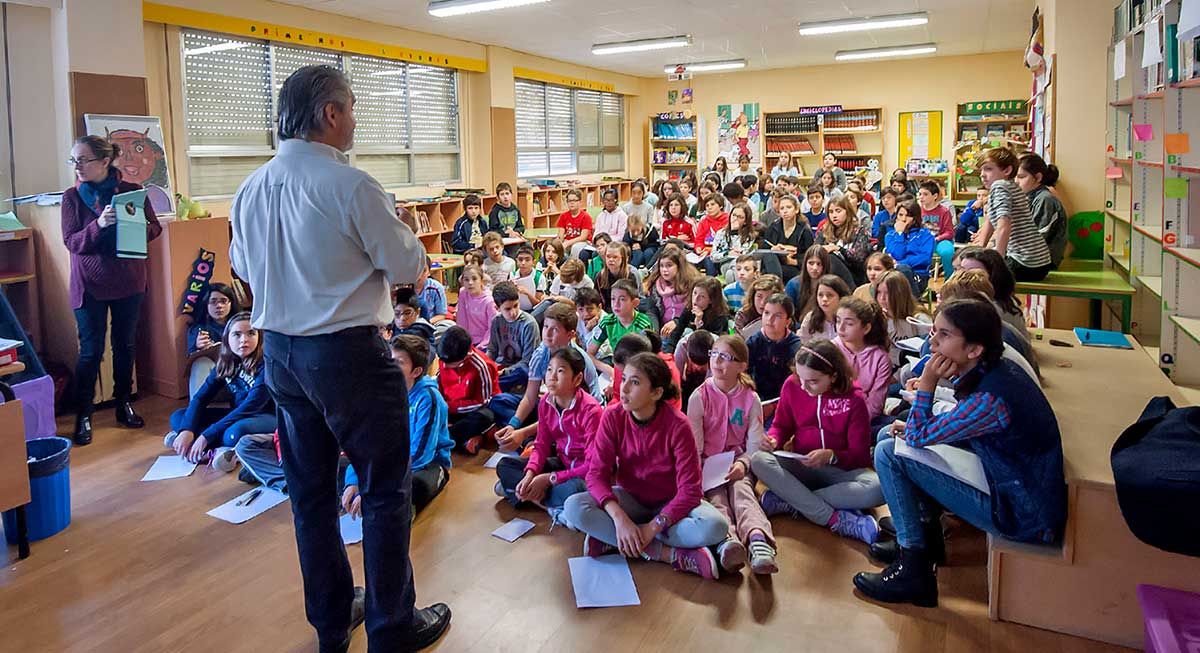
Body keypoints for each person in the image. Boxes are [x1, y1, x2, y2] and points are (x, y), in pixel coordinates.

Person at [228, 65, 449, 652]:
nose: (354, 119)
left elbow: (244, 271)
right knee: (383, 489)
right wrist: (402, 227)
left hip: (280, 353)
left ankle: (330, 620)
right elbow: (407, 270)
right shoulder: (351, 186)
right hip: (347, 352)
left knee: (311, 491)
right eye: (350, 107)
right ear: (330, 113)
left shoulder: (250, 189)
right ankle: (391, 627)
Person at [853, 299, 1066, 608]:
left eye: (944, 335)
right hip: (1008, 480)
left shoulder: (992, 397)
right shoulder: (994, 368)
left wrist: (927, 383)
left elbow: (916, 436)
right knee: (889, 434)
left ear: (974, 349)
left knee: (890, 452)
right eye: (933, 332)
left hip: (1021, 513)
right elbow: (944, 428)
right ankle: (926, 541)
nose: (933, 342)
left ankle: (915, 569)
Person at [563, 353, 729, 580]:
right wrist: (620, 518)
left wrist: (652, 527)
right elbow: (596, 475)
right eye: (624, 380)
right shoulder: (613, 416)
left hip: (671, 505)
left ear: (657, 393)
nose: (624, 389)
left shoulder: (678, 425)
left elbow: (690, 491)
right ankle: (667, 554)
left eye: (635, 382)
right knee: (573, 507)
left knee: (715, 526)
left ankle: (616, 540)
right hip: (632, 500)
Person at [62, 134, 163, 445]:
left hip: (128, 281)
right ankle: (84, 414)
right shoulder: (72, 198)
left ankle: (123, 404)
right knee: (91, 352)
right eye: (74, 160)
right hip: (89, 285)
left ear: (105, 162)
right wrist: (100, 225)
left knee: (125, 346)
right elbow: (72, 242)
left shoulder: (132, 192)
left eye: (83, 160)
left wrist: (133, 223)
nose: (77, 166)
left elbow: (154, 228)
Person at [751, 339, 882, 544]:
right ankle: (834, 518)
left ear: (834, 376)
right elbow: (781, 426)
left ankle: (793, 501)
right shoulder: (792, 385)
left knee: (877, 488)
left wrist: (831, 456)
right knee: (758, 459)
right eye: (801, 378)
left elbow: (860, 455)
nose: (804, 387)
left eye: (813, 381)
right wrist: (774, 439)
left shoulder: (854, 399)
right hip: (800, 463)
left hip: (838, 471)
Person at [686, 335, 778, 574]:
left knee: (743, 493)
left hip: (738, 461)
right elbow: (694, 446)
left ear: (742, 366)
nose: (717, 361)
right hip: (708, 465)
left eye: (726, 357)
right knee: (716, 498)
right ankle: (727, 541)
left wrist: (744, 464)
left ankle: (758, 542)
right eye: (714, 354)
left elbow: (755, 441)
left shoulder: (750, 398)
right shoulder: (699, 396)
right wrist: (696, 476)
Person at [341, 335, 453, 518]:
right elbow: (366, 442)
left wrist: (374, 483)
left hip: (426, 465)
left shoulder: (429, 399)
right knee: (339, 466)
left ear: (416, 371)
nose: (390, 367)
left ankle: (384, 504)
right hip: (390, 461)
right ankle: (363, 498)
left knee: (416, 486)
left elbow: (420, 455)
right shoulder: (384, 393)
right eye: (389, 360)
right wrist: (354, 480)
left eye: (398, 362)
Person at [493, 345, 600, 522]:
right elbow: (541, 445)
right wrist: (530, 474)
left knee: (576, 491)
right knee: (505, 465)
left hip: (582, 474)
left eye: (560, 371)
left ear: (577, 378)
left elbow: (592, 467)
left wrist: (549, 478)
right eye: (549, 369)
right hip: (562, 463)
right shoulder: (546, 402)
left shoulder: (591, 410)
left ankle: (521, 494)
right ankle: (546, 504)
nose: (552, 376)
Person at [165, 311, 277, 471]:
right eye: (237, 334)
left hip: (267, 416)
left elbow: (250, 408)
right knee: (178, 418)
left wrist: (206, 436)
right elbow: (200, 398)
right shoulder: (226, 363)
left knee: (234, 433)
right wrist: (187, 429)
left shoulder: (266, 365)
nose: (244, 340)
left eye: (251, 333)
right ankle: (195, 442)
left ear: (259, 337)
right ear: (227, 339)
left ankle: (218, 450)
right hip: (238, 414)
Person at [970, 147, 1053, 281]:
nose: (982, 174)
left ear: (1007, 170)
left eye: (988, 169)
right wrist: (980, 247)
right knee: (977, 262)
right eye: (981, 170)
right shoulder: (1009, 187)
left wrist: (999, 261)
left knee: (977, 274)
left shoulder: (1000, 186)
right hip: (1040, 262)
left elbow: (1004, 226)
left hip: (1026, 263)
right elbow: (991, 221)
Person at [438, 325, 500, 453]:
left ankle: (442, 439)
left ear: (465, 356)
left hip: (473, 409)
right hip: (450, 408)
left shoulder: (481, 366)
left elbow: (484, 402)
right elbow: (440, 387)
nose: (445, 366)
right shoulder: (445, 358)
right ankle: (462, 442)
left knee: (484, 417)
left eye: (451, 364)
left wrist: (450, 407)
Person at [834, 297, 892, 421]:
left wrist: (855, 423)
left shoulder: (880, 358)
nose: (841, 328)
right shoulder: (831, 350)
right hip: (834, 416)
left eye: (849, 323)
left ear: (866, 328)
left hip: (865, 419)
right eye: (838, 321)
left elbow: (875, 405)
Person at [958, 248, 1029, 338]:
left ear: (993, 276)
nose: (962, 277)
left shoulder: (992, 308)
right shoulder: (997, 300)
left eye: (974, 273)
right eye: (961, 270)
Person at [588, 279, 654, 376]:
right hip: (616, 367)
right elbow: (589, 354)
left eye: (622, 299)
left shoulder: (643, 324)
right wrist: (607, 369)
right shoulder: (607, 322)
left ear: (635, 303)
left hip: (638, 369)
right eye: (613, 299)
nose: (616, 304)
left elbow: (648, 359)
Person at [746, 293, 803, 403]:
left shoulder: (796, 346)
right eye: (766, 313)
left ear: (788, 321)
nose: (770, 319)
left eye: (777, 316)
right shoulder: (753, 342)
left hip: (786, 399)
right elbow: (743, 374)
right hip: (756, 398)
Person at [487, 281, 541, 393]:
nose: (513, 312)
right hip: (501, 366)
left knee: (524, 373)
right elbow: (492, 350)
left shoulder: (529, 323)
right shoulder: (496, 321)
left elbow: (528, 360)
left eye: (516, 306)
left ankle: (491, 387)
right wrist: (487, 366)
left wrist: (506, 371)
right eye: (507, 309)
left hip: (519, 370)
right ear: (497, 308)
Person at [187, 282, 238, 397]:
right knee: (200, 362)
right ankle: (197, 410)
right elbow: (189, 359)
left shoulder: (241, 324)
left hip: (239, 371)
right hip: (215, 374)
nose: (219, 306)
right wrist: (198, 347)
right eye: (213, 302)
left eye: (223, 301)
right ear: (206, 304)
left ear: (231, 303)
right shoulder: (198, 329)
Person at [1018, 154, 1068, 269]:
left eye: (1021, 177)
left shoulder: (1045, 199)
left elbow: (1036, 238)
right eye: (1014, 177)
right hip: (1031, 256)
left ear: (1038, 177)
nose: (1016, 181)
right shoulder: (1030, 196)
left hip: (1042, 261)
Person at [874, 271, 931, 366]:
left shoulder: (919, 319)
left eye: (887, 293)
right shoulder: (878, 319)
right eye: (879, 292)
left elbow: (927, 354)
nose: (882, 298)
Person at [662, 278, 733, 352]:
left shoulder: (720, 316)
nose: (695, 299)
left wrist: (699, 323)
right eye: (695, 293)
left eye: (702, 296)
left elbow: (709, 343)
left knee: (688, 333)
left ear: (711, 300)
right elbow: (678, 331)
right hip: (694, 346)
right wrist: (669, 351)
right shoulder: (689, 309)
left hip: (712, 350)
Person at [815, 195, 872, 286]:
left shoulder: (859, 231)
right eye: (831, 212)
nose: (834, 215)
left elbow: (859, 259)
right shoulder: (824, 230)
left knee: (831, 258)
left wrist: (837, 249)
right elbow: (815, 251)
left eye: (838, 211)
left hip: (853, 274)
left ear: (847, 211)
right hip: (826, 273)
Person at [884, 199, 935, 295]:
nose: (903, 219)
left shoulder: (926, 235)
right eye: (900, 215)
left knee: (903, 269)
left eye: (908, 216)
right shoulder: (890, 236)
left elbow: (925, 259)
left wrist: (899, 263)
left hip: (918, 276)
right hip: (894, 276)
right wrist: (900, 234)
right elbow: (897, 254)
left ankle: (913, 305)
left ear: (915, 218)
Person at [764, 195, 815, 281]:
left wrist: (792, 261)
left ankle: (775, 285)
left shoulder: (804, 230)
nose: (785, 211)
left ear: (796, 210)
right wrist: (773, 249)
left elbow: (810, 256)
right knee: (769, 256)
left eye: (789, 207)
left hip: (795, 267)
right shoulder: (773, 228)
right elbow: (764, 249)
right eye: (782, 208)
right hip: (774, 264)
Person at [915, 181, 956, 279]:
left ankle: (949, 279)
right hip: (922, 241)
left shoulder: (944, 211)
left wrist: (937, 239)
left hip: (940, 241)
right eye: (920, 194)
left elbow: (949, 232)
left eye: (925, 194)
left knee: (947, 252)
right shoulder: (917, 210)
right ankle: (919, 278)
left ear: (935, 196)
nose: (921, 197)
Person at [797, 275, 851, 343]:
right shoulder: (810, 318)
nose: (824, 299)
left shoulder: (849, 319)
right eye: (820, 295)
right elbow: (803, 344)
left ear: (841, 297)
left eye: (830, 295)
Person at [454, 264, 497, 349]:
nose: (470, 283)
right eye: (466, 280)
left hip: (485, 343)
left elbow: (492, 328)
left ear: (481, 281)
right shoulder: (463, 292)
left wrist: (481, 345)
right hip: (468, 340)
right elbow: (461, 319)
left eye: (474, 279)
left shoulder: (489, 301)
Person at [593, 241, 639, 312]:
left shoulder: (630, 276)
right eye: (608, 256)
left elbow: (633, 301)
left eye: (615, 257)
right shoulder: (600, 276)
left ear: (623, 259)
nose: (611, 260)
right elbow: (596, 299)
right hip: (606, 313)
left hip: (626, 311)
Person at [558, 188, 594, 258]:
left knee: (575, 247)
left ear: (580, 202)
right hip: (568, 240)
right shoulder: (563, 216)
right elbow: (561, 234)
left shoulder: (585, 216)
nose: (571, 203)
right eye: (569, 201)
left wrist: (568, 243)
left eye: (574, 200)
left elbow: (583, 237)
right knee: (552, 247)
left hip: (583, 242)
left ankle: (574, 267)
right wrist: (559, 243)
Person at [510, 245, 543, 312]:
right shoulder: (512, 275)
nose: (523, 263)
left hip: (534, 310)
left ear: (534, 262)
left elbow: (538, 304)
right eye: (520, 259)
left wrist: (527, 293)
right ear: (516, 261)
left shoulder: (539, 277)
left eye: (527, 260)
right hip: (517, 310)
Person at [573, 288, 606, 352]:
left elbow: (597, 354)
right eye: (581, 309)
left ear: (599, 307)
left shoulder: (605, 322)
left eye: (590, 309)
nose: (586, 314)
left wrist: (588, 331)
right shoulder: (575, 319)